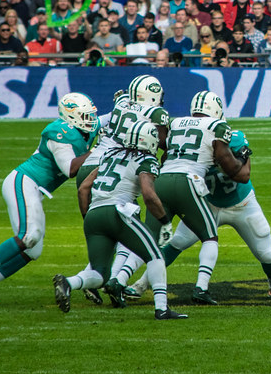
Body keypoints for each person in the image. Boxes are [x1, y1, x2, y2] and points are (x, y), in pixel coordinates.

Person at [125, 126, 271, 301]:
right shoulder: (193, 147)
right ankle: (141, 284)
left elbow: (245, 175)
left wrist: (234, 159)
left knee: (266, 254)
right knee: (177, 243)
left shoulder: (234, 138)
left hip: (242, 203)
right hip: (207, 203)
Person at [0, 93, 98, 305]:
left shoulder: (85, 127)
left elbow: (110, 119)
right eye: (85, 116)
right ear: (70, 116)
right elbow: (70, 168)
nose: (91, 120)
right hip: (24, 181)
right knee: (29, 235)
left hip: (35, 188)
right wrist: (97, 152)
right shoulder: (59, 132)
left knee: (33, 249)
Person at [54, 121, 187, 320]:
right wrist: (165, 220)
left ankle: (68, 283)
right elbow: (149, 195)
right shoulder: (146, 160)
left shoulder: (108, 155)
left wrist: (88, 218)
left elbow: (83, 189)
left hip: (94, 215)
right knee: (155, 254)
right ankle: (162, 309)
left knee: (100, 274)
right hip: (118, 212)